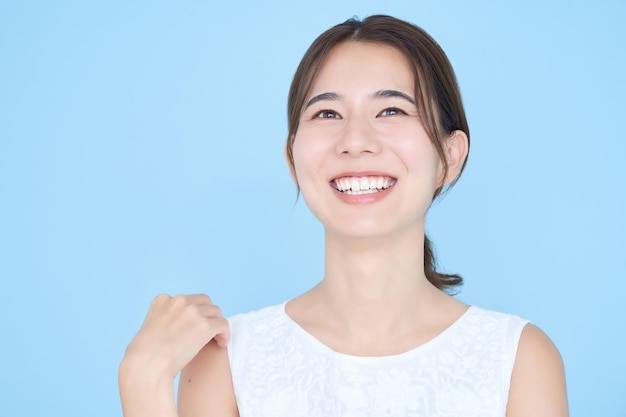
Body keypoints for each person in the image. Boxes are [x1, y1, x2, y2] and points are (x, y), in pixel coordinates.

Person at [118, 15, 568, 417]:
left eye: (391, 109)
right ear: (293, 159)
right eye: (327, 113)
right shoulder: (227, 360)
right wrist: (143, 384)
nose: (355, 140)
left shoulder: (518, 360)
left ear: (449, 157)